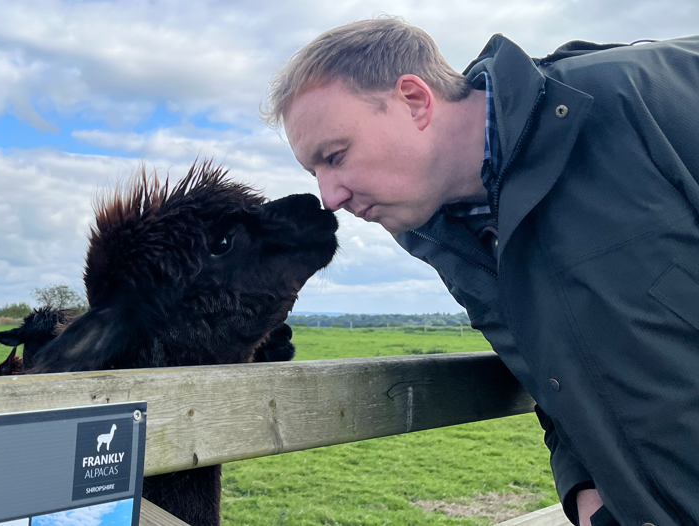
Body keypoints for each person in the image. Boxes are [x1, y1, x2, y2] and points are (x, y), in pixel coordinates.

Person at [262, 16, 699, 526]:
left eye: (334, 156)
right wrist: (583, 488)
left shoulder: (647, 91)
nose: (329, 197)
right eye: (315, 173)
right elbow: (558, 375)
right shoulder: (441, 236)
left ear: (415, 100)